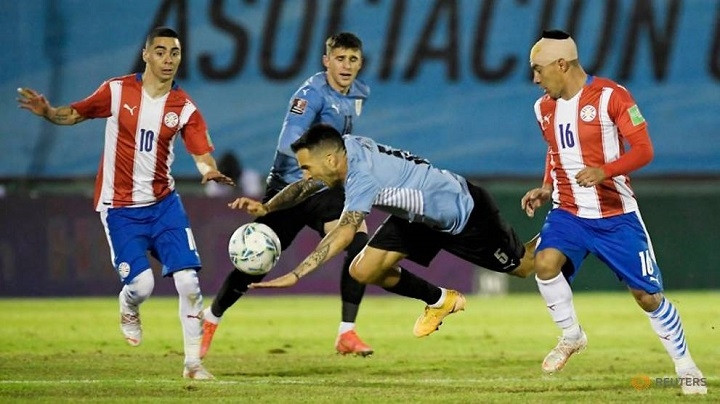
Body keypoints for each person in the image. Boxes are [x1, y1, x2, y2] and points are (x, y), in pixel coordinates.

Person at [17, 26, 234, 380]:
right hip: (120, 208)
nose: (168, 59)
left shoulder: (184, 107)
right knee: (142, 286)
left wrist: (209, 171)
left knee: (189, 282)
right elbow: (74, 114)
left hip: (164, 205)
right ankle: (128, 304)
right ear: (146, 54)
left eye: (174, 53)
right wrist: (48, 112)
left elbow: (202, 154)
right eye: (160, 51)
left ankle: (193, 364)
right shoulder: (116, 90)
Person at [521, 30, 706, 395]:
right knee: (542, 264)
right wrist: (547, 186)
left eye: (539, 70)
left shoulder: (611, 96)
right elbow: (556, 151)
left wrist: (604, 171)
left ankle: (685, 366)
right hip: (570, 212)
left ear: (562, 64)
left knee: (647, 298)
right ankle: (572, 335)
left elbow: (644, 150)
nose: (535, 79)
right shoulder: (543, 108)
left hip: (615, 215)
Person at [233, 124, 537, 339]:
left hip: (465, 213)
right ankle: (440, 300)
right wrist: (267, 208)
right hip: (417, 218)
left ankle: (564, 223)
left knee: (526, 266)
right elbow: (307, 185)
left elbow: (344, 232)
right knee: (363, 270)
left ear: (329, 159)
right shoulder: (346, 147)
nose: (305, 174)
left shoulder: (361, 178)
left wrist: (296, 274)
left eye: (307, 167)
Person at [201, 32, 374, 357]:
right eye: (340, 58)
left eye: (352, 59)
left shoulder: (360, 92)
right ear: (326, 61)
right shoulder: (311, 94)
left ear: (360, 63)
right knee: (257, 263)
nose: (346, 65)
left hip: (325, 190)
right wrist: (313, 160)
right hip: (291, 187)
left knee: (357, 240)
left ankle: (346, 333)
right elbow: (289, 139)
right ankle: (210, 319)